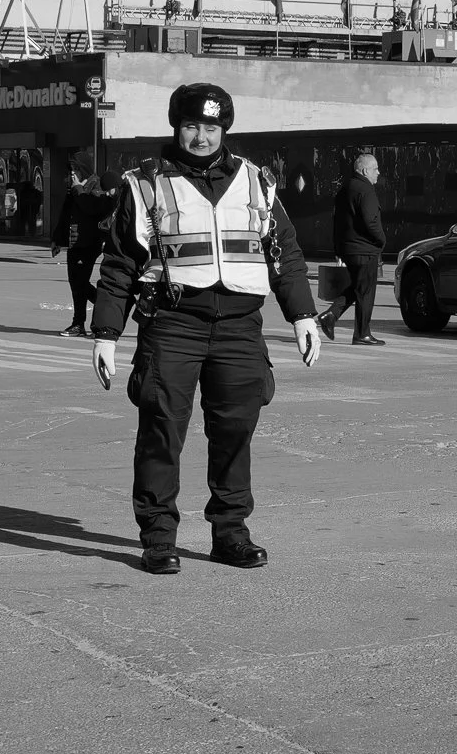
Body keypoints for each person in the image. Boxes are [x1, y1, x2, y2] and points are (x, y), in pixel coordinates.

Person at [89, 81, 321, 575]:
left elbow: (285, 253)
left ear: (224, 130)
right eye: (192, 126)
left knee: (236, 429)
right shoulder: (145, 182)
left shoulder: (256, 181)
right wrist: (106, 333)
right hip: (172, 322)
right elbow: (119, 265)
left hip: (239, 325)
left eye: (211, 127)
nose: (201, 137)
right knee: (161, 430)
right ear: (176, 126)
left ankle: (230, 533)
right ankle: (157, 538)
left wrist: (303, 314)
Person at [316, 150, 388, 346]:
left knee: (357, 287)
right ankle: (362, 333)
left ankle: (330, 315)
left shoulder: (346, 188)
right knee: (366, 291)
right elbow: (370, 221)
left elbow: (337, 221)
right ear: (365, 170)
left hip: (348, 248)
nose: (378, 173)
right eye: (375, 169)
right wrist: (381, 240)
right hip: (364, 249)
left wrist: (338, 248)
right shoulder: (365, 190)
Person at [49, 156, 117, 336]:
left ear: (84, 170)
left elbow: (92, 208)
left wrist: (78, 188)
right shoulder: (74, 188)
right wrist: (57, 240)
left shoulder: (95, 185)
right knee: (75, 283)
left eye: (76, 170)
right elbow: (66, 214)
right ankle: (80, 323)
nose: (72, 174)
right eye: (70, 170)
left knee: (80, 282)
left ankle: (99, 311)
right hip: (74, 241)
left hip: (89, 241)